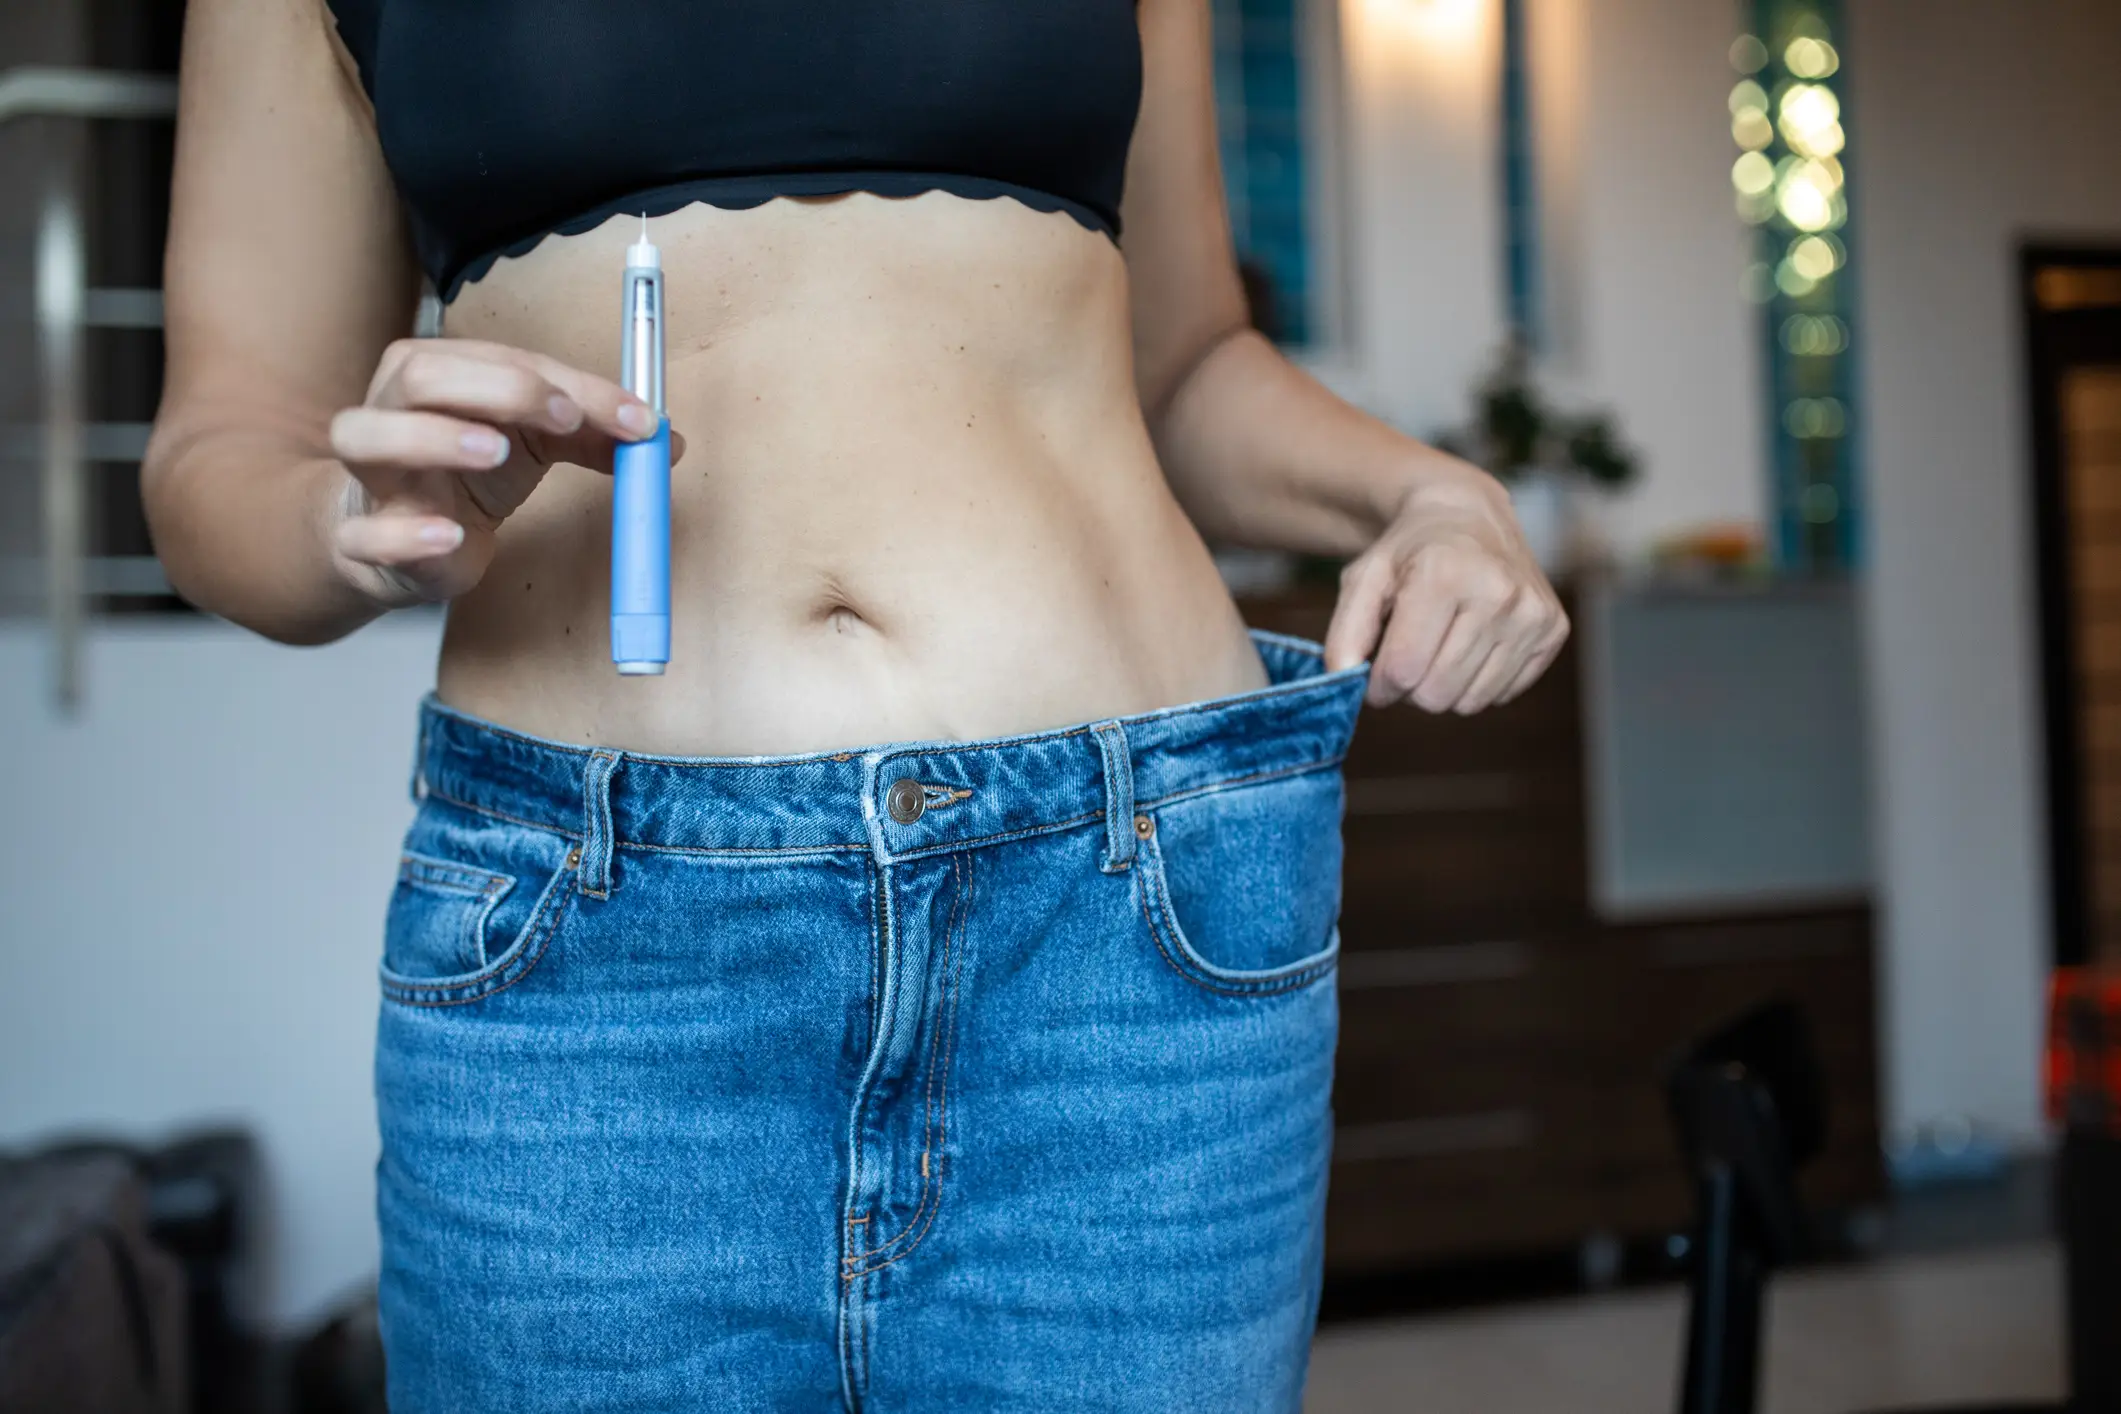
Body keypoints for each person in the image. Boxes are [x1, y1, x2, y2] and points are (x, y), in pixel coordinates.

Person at [142, 0, 1567, 1408]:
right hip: (592, 956)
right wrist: (344, 515)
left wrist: (1431, 490)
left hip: (1124, 921)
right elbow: (225, 436)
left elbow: (1188, 363)